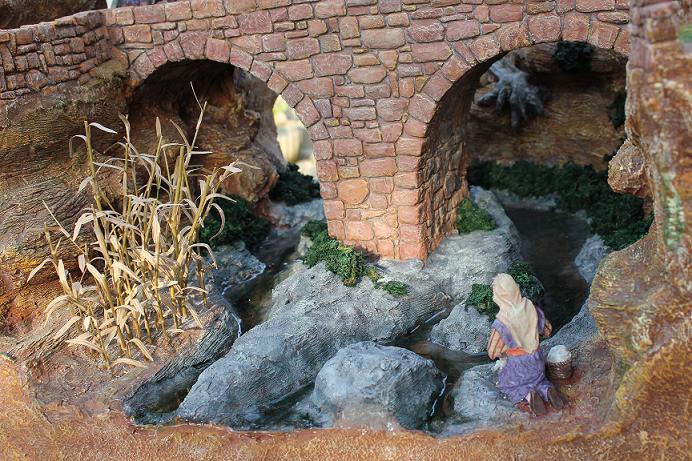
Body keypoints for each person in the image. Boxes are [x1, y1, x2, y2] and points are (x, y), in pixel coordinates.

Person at [487, 273, 567, 415]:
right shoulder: (531, 307)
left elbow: (492, 353)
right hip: (537, 359)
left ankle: (529, 395)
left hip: (518, 365)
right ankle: (547, 390)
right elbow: (547, 330)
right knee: (539, 381)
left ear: (500, 296)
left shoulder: (501, 322)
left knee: (508, 385)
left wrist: (508, 348)